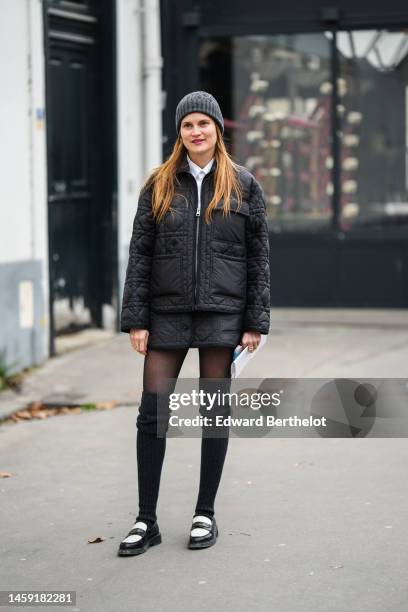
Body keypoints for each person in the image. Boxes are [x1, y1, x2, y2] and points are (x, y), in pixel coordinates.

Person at [118, 91, 270, 556]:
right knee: (153, 414)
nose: (196, 132)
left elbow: (258, 257)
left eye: (204, 123)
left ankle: (205, 513)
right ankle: (147, 520)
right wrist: (136, 320)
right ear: (179, 133)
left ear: (218, 130)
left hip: (223, 313)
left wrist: (255, 321)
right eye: (188, 125)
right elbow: (140, 255)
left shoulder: (243, 185)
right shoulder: (159, 185)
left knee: (213, 413)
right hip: (166, 311)